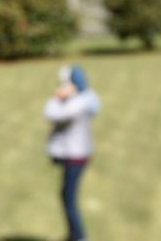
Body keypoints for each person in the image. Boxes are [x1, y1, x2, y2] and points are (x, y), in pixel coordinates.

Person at [44, 65, 101, 241]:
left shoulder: (77, 104)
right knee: (65, 196)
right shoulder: (84, 99)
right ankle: (73, 235)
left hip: (75, 157)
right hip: (76, 155)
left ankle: (79, 237)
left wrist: (57, 97)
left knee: (68, 199)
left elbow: (51, 113)